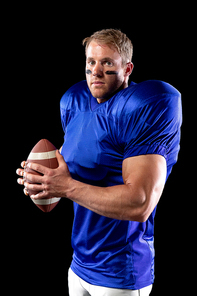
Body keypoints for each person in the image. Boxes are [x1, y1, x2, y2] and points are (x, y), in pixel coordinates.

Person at [16, 29, 182, 296]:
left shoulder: (146, 104)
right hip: (80, 264)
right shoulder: (75, 101)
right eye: (91, 62)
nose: (96, 71)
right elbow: (79, 163)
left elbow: (140, 203)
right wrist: (43, 179)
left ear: (127, 69)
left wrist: (65, 187)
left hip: (119, 272)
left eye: (107, 63)